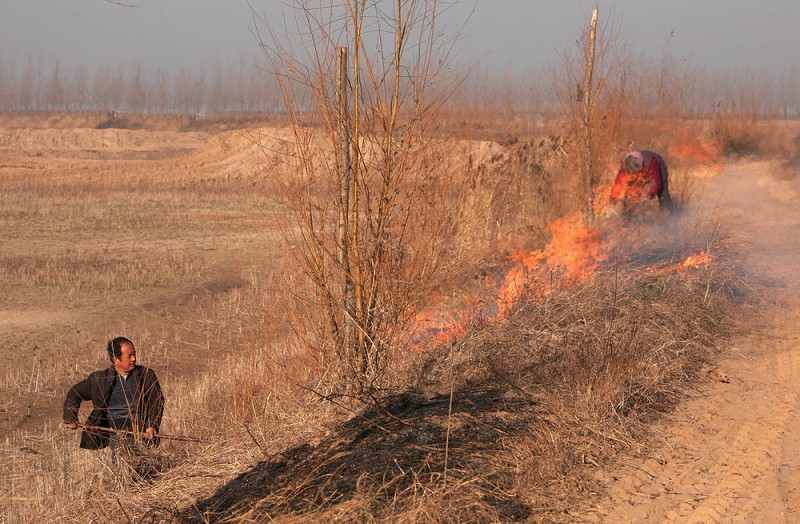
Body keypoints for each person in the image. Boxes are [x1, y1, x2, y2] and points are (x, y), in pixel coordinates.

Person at [64, 337, 164, 455]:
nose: (134, 359)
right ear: (115, 359)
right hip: (117, 437)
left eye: (134, 354)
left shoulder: (146, 375)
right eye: (129, 356)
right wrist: (70, 417)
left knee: (147, 469)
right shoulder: (100, 379)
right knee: (122, 467)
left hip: (143, 435)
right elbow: (74, 393)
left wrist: (152, 425)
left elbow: (157, 400)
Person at [609, 150, 673, 214]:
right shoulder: (625, 166)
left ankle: (670, 214)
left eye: (633, 172)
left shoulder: (651, 161)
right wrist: (613, 198)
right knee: (631, 195)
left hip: (657, 171)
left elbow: (656, 182)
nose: (631, 173)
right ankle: (629, 216)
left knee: (663, 195)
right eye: (630, 172)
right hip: (640, 173)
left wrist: (650, 195)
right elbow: (619, 183)